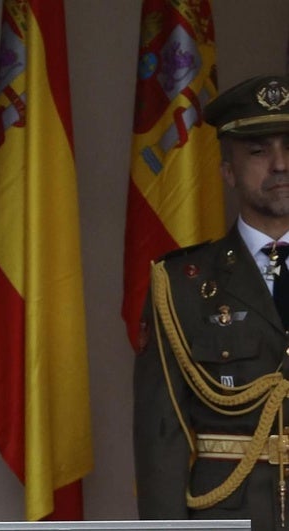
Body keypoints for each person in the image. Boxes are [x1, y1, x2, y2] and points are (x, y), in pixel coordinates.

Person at [134, 74, 289, 530]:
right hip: (230, 517)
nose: (279, 164)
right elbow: (160, 439)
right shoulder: (179, 283)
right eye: (259, 151)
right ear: (227, 170)